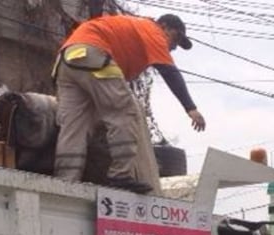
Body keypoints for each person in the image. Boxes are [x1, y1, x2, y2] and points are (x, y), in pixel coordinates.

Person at [52, 14, 206, 194]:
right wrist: (191, 108)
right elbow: (169, 71)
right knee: (126, 113)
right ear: (163, 26)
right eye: (176, 37)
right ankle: (120, 175)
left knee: (74, 128)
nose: (173, 46)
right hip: (93, 54)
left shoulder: (131, 27)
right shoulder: (152, 30)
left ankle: (65, 182)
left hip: (67, 60)